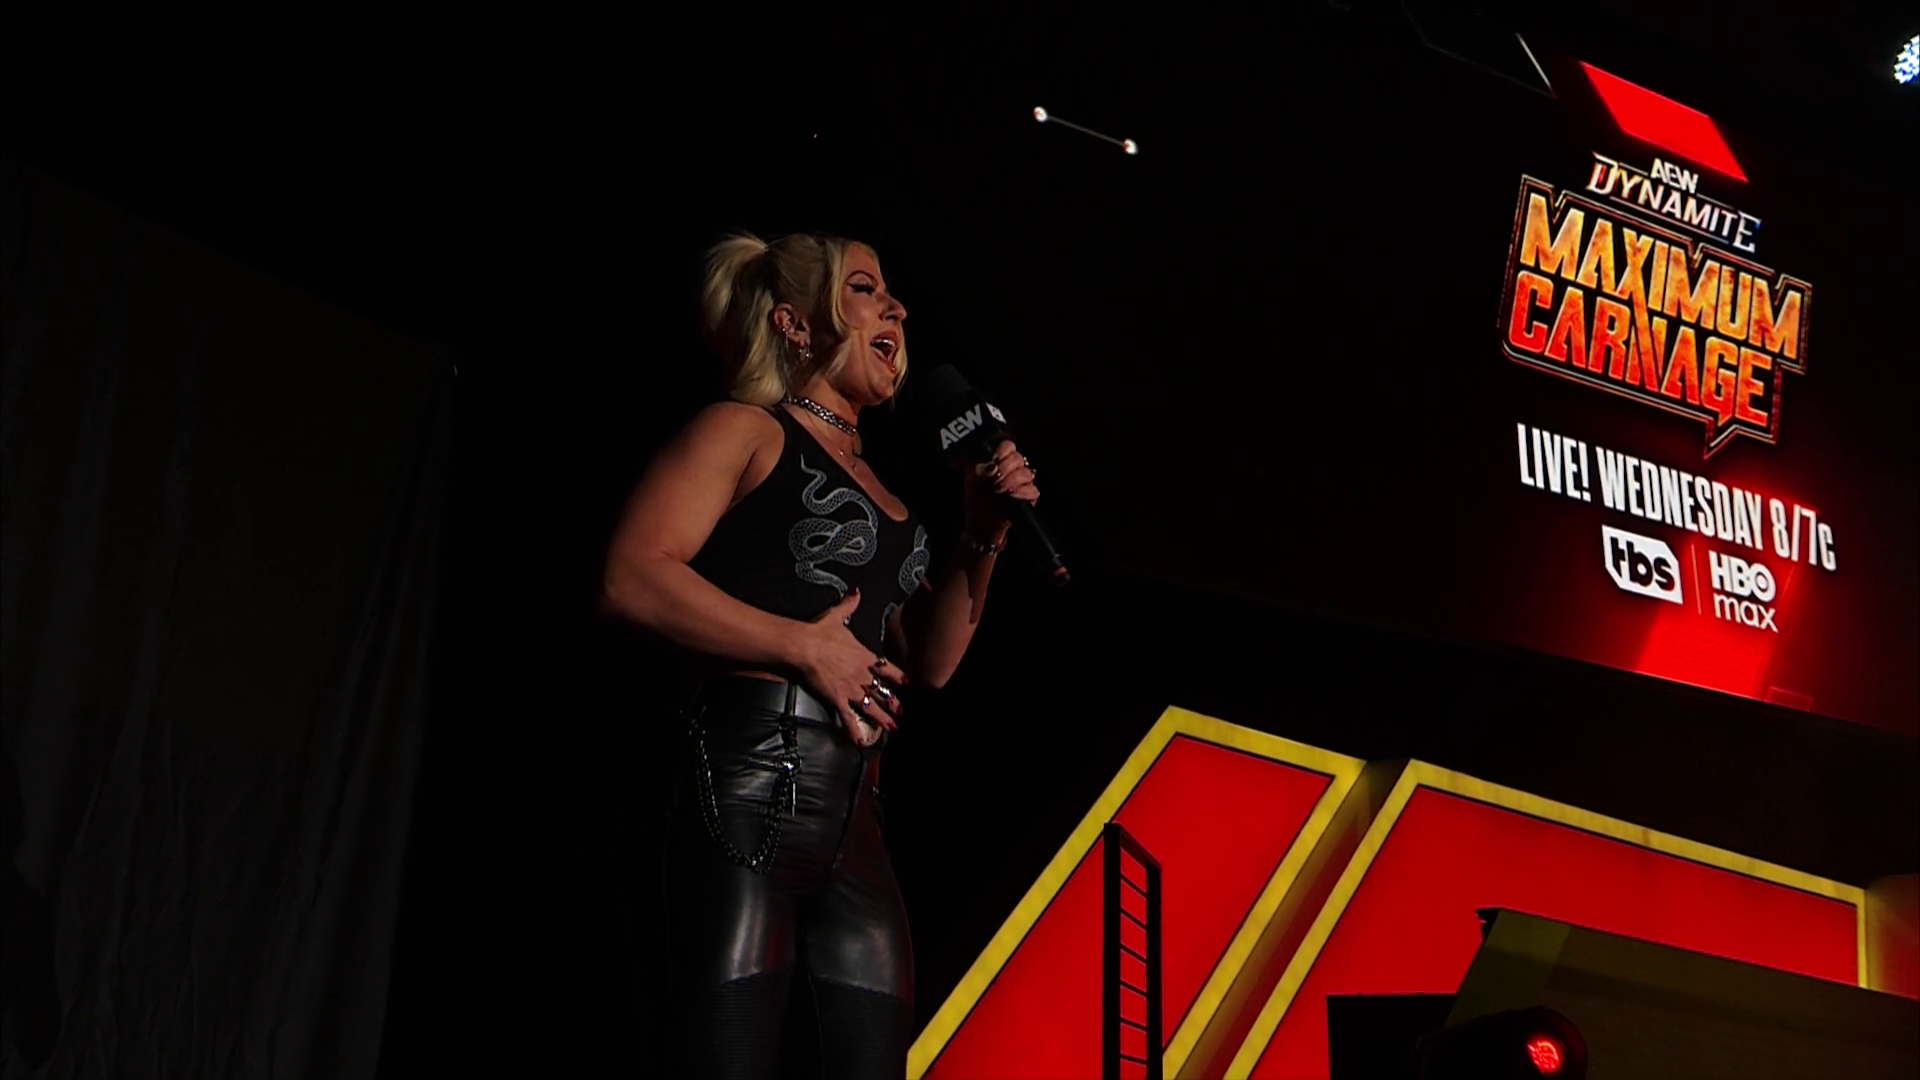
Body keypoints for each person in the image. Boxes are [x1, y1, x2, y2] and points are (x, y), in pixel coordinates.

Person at [601, 232, 1038, 1078]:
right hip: (747, 785)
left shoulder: (890, 499)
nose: (897, 307)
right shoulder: (744, 430)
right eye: (865, 288)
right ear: (796, 324)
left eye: (891, 292)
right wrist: (803, 647)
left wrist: (983, 532)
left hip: (857, 818)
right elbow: (631, 575)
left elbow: (932, 661)